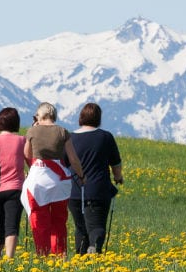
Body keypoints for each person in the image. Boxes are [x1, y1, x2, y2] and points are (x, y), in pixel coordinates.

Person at [22, 102, 85, 257]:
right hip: (60, 180)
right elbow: (73, 159)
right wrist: (82, 176)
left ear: (40, 116)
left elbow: (27, 155)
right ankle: (59, 255)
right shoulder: (63, 131)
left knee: (40, 220)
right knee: (59, 220)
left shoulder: (32, 131)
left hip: (38, 178)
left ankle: (42, 255)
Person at [68, 102, 123, 255]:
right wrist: (118, 177)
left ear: (81, 117)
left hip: (75, 191)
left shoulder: (70, 138)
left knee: (80, 228)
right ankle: (95, 249)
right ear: (98, 118)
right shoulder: (105, 137)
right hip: (98, 190)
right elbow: (116, 163)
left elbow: (65, 162)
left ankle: (81, 257)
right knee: (97, 225)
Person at [0, 107, 27, 260]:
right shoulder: (22, 140)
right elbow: (31, 161)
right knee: (12, 226)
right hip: (15, 187)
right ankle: (9, 258)